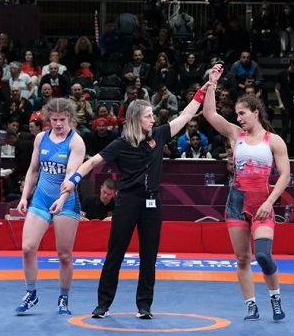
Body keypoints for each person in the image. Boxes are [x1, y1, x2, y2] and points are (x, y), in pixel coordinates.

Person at [60, 80, 212, 320]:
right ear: (136, 119)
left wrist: (204, 89)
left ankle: (144, 305)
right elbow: (93, 161)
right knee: (115, 253)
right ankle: (103, 304)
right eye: (148, 116)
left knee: (149, 256)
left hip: (152, 203)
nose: (153, 119)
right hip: (127, 202)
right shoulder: (121, 144)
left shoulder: (159, 135)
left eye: (152, 115)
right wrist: (73, 180)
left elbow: (185, 116)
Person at [203, 63, 290, 322]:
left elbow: (285, 175)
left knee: (262, 255)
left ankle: (275, 298)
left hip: (262, 203)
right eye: (237, 114)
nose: (238, 118)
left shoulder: (274, 141)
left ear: (256, 113)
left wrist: (270, 202)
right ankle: (251, 305)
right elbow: (209, 113)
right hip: (236, 203)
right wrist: (212, 83)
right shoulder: (235, 135)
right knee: (242, 258)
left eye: (242, 113)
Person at [12, 98, 86, 316]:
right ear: (48, 119)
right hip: (41, 199)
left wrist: (62, 199)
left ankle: (63, 297)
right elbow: (33, 170)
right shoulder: (41, 138)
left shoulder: (76, 142)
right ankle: (31, 293)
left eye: (62, 119)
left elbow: (71, 175)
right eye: (54, 120)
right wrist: (24, 197)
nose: (58, 124)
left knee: (64, 255)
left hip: (66, 201)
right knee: (28, 248)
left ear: (69, 118)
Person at [273, 56, 294, 157]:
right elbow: (277, 89)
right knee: (285, 127)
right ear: (292, 65)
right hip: (286, 103)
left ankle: (292, 148)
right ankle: (282, 148)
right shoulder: (282, 75)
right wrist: (280, 102)